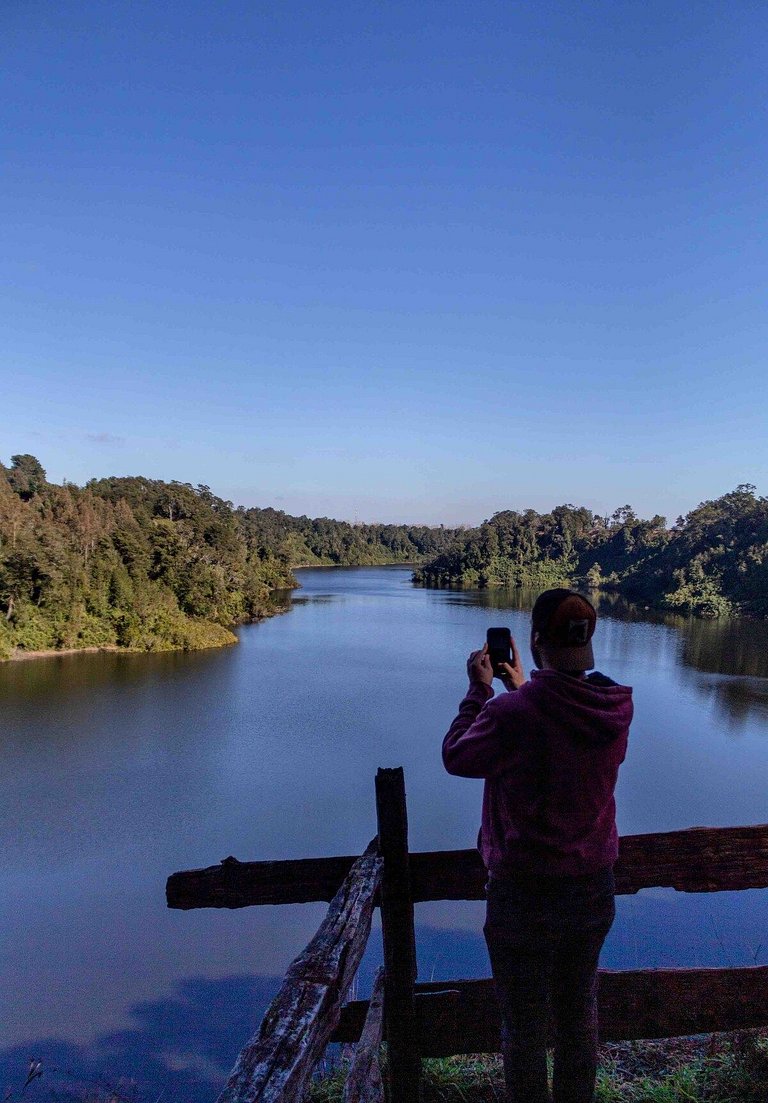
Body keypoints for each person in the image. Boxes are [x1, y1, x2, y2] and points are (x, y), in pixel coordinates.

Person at [442, 589, 633, 1103]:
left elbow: (457, 755)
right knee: (578, 1017)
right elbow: (559, 720)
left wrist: (479, 690)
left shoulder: (513, 714)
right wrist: (521, 685)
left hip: (524, 895)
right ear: (588, 641)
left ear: (534, 639)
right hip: (593, 889)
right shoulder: (614, 706)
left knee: (524, 1026)